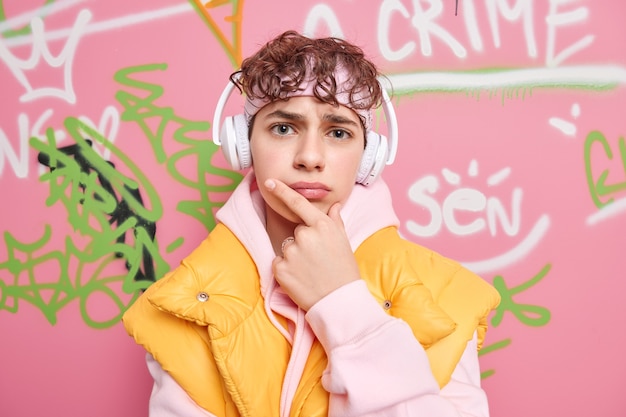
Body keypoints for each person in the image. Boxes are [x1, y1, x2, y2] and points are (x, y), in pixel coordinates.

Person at [123, 30, 501, 417]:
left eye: (338, 132)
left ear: (368, 157)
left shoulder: (448, 298)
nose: (310, 157)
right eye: (283, 128)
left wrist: (343, 302)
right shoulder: (182, 305)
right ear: (243, 144)